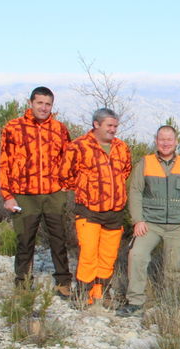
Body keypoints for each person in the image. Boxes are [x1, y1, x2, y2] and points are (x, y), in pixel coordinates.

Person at [122, 125, 180, 316]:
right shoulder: (145, 162)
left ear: (176, 142)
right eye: (161, 139)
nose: (165, 143)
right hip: (150, 223)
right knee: (137, 255)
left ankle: (170, 302)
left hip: (179, 224)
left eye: (169, 139)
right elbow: (135, 191)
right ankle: (135, 301)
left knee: (173, 267)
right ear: (156, 141)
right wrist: (137, 220)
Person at [0, 87, 72, 293]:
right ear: (30, 103)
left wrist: (66, 185)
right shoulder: (13, 127)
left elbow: (68, 159)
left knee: (59, 238)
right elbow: (4, 162)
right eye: (40, 103)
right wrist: (7, 195)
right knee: (25, 240)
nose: (44, 107)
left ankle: (63, 282)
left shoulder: (59, 128)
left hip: (53, 193)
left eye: (48, 104)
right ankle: (23, 284)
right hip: (24, 194)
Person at [60, 108, 132, 305]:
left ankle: (102, 292)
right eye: (109, 125)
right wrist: (88, 189)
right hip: (88, 210)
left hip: (114, 211)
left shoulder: (122, 147)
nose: (113, 130)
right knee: (88, 253)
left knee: (108, 256)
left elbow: (125, 171)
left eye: (115, 126)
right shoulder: (78, 146)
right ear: (96, 124)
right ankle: (84, 294)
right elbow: (66, 176)